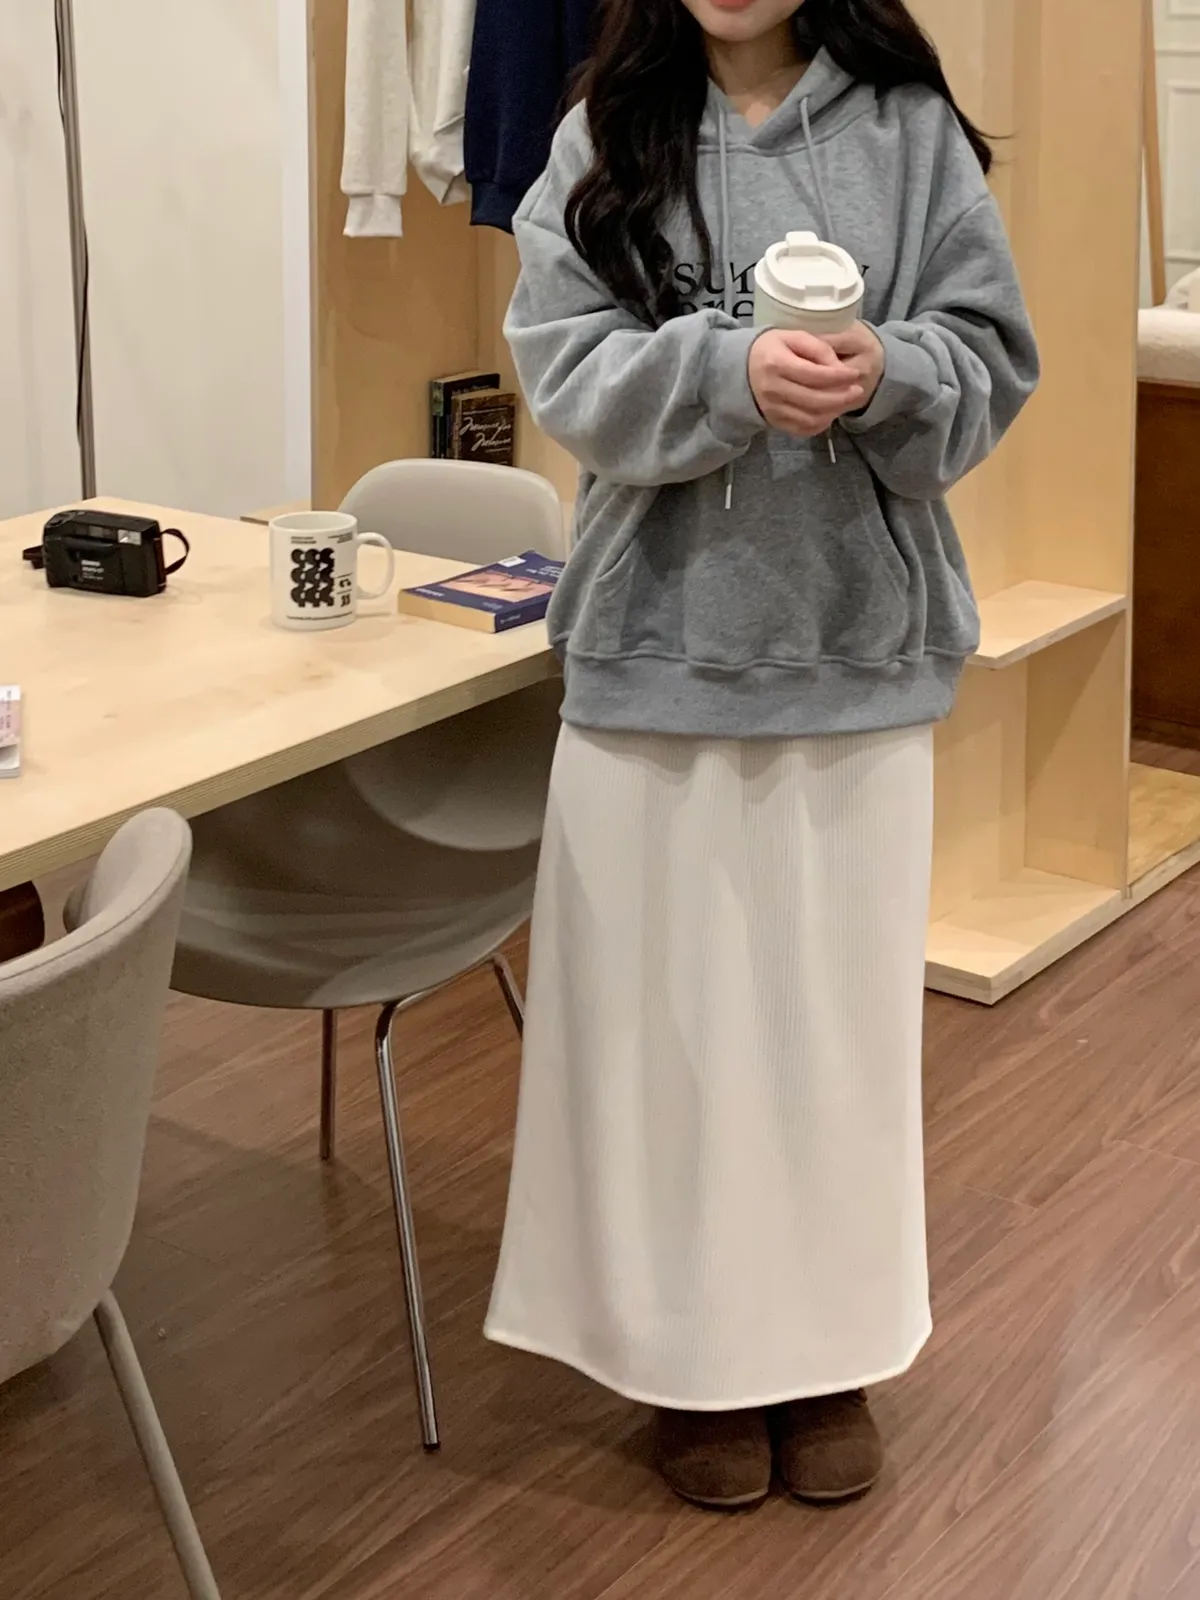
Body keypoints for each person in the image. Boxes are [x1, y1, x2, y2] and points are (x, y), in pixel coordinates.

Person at [485, 0, 1039, 1511]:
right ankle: (687, 1362)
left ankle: (825, 1356)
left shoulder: (909, 134)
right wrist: (726, 375)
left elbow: (993, 355)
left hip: (854, 656)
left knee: (828, 1047)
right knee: (663, 1046)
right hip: (650, 657)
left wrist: (889, 372)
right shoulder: (603, 134)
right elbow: (561, 368)